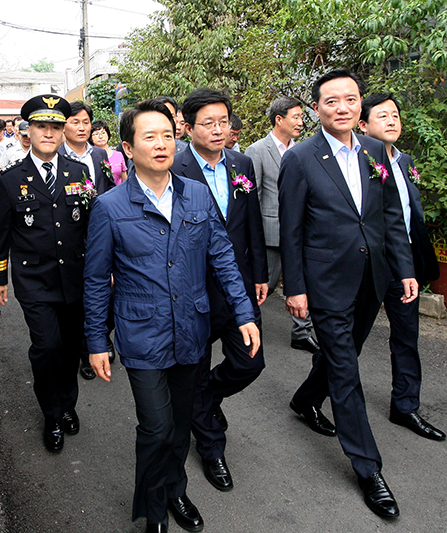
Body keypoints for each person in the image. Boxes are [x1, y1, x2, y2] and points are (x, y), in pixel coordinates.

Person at [85, 98, 260, 533]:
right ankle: (154, 510)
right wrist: (95, 342)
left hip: (193, 330)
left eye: (168, 135)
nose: (161, 144)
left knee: (180, 426)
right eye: (149, 136)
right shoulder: (109, 207)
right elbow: (94, 280)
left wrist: (244, 312)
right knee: (157, 427)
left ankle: (175, 490)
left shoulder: (196, 193)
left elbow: (222, 257)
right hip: (142, 334)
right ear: (128, 148)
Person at [280, 69, 416, 518]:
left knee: (346, 355)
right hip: (326, 282)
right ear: (317, 107)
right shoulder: (300, 158)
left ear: (360, 104)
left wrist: (404, 270)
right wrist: (295, 288)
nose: (342, 107)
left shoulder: (377, 150)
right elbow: (292, 230)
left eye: (350, 99)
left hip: (372, 278)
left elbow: (389, 217)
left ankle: (303, 400)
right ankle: (368, 467)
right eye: (331, 100)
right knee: (345, 370)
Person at [171, 88, 268, 493]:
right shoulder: (173, 167)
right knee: (192, 367)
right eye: (207, 123)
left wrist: (260, 273)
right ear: (188, 127)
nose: (217, 130)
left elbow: (252, 223)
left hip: (237, 284)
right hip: (192, 289)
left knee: (250, 362)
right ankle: (212, 449)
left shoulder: (241, 162)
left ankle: (203, 401)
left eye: (223, 122)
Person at [0, 95, 90, 452]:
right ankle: (51, 413)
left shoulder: (79, 173)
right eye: (42, 126)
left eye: (56, 127)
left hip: (75, 279)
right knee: (47, 347)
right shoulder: (10, 179)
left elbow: (89, 228)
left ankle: (68, 404)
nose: (49, 133)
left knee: (71, 348)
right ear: (27, 131)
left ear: (63, 132)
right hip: (35, 282)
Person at [358, 93, 444, 441]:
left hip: (405, 261)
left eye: (395, 115)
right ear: (363, 125)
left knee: (407, 336)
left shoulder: (405, 160)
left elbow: (409, 214)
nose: (392, 120)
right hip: (369, 263)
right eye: (383, 116)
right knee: (350, 338)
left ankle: (405, 405)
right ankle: (309, 397)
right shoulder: (357, 162)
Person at [244, 97, 319, 353]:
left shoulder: (303, 151)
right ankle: (244, 324)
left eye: (301, 117)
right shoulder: (257, 150)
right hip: (271, 233)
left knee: (302, 283)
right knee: (265, 285)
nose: (301, 122)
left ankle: (302, 331)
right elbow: (251, 198)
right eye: (296, 117)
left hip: (302, 232)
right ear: (279, 120)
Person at [58, 101, 114, 380]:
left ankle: (102, 335)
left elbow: (110, 188)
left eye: (85, 122)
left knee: (111, 291)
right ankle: (86, 350)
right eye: (74, 122)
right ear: (64, 125)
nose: (81, 127)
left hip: (102, 235)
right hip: (69, 240)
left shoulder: (100, 154)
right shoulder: (55, 156)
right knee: (82, 297)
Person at [90, 119, 127, 185]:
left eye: (103, 133)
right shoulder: (90, 157)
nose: (100, 137)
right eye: (96, 134)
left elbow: (124, 179)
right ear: (90, 138)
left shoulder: (118, 155)